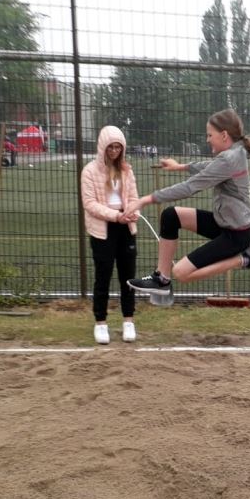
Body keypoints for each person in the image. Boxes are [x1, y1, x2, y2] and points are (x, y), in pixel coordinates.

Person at [125, 109, 250, 304]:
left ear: (224, 135)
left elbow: (189, 187)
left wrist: (144, 200)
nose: (207, 139)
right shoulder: (234, 153)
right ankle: (161, 280)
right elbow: (210, 166)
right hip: (225, 224)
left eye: (210, 135)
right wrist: (180, 166)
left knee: (181, 273)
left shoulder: (230, 158)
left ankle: (246, 259)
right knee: (170, 216)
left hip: (237, 235)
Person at [81, 125, 141, 344]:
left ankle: (128, 321)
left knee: (128, 277)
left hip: (126, 228)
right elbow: (89, 204)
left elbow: (134, 198)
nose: (114, 151)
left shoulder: (127, 170)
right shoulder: (89, 171)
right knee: (103, 277)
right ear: (102, 147)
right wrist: (116, 216)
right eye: (110, 147)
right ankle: (101, 323)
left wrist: (133, 212)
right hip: (102, 230)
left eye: (118, 147)